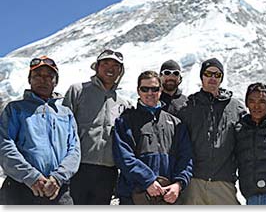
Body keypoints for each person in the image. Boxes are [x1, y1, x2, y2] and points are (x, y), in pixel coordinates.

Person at [0, 56, 80, 205]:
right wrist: (32, 177)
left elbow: (74, 149)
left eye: (49, 76)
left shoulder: (65, 113)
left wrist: (58, 177)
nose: (43, 80)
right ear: (29, 80)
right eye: (37, 76)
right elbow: (5, 145)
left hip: (58, 189)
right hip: (20, 188)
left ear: (56, 82)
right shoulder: (15, 109)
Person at [113, 70, 193, 205]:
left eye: (154, 89)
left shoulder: (176, 124)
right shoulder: (125, 121)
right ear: (138, 91)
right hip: (133, 197)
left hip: (168, 197)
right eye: (145, 89)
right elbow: (123, 157)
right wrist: (148, 180)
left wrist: (178, 184)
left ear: (161, 90)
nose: (150, 93)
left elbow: (186, 157)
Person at [62, 49, 131, 205]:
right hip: (78, 168)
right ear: (97, 67)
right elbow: (63, 130)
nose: (110, 68)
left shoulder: (123, 103)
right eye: (105, 63)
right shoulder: (78, 91)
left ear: (120, 71)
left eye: (115, 65)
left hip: (108, 172)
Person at [178, 58, 245, 205]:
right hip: (194, 181)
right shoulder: (188, 107)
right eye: (209, 74)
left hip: (224, 182)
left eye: (217, 75)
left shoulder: (235, 108)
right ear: (202, 76)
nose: (213, 78)